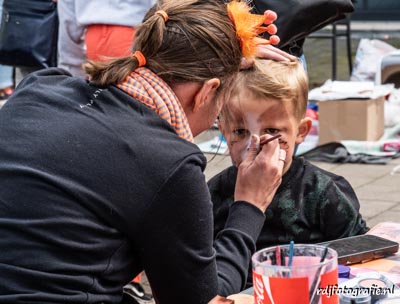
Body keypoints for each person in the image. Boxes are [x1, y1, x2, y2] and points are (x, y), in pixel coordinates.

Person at [0, 1, 287, 303]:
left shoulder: (40, 88)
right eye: (222, 100)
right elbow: (198, 297)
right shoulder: (167, 161)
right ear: (205, 92)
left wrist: (221, 56)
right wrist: (250, 205)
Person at [208, 58, 369, 288]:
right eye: (240, 131)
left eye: (272, 131)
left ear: (301, 131)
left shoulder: (322, 192)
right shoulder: (213, 193)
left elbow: (363, 252)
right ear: (223, 131)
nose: (255, 145)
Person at [57, 0, 155, 77]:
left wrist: (72, 72)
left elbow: (68, 18)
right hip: (134, 37)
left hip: (93, 42)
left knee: (98, 96)